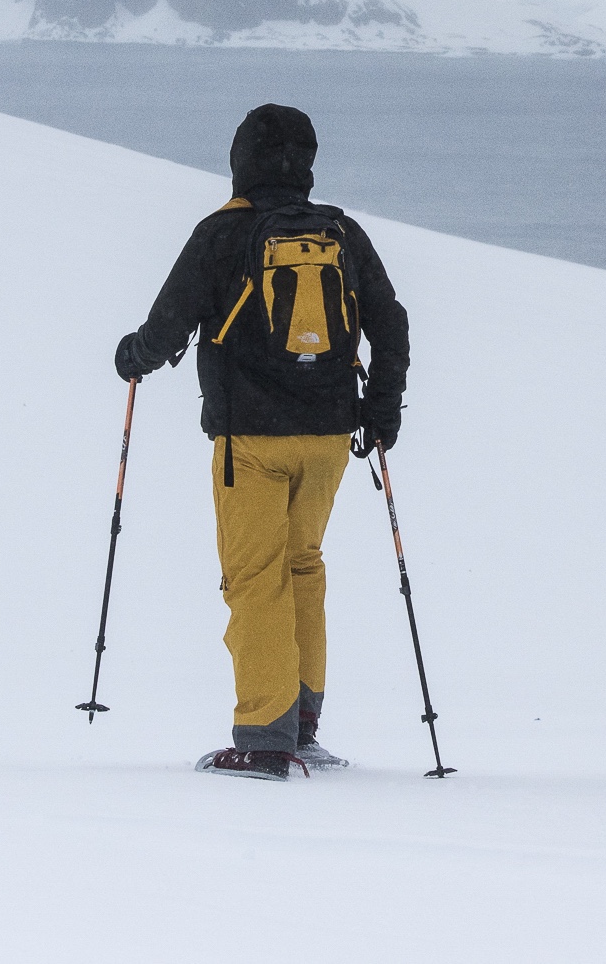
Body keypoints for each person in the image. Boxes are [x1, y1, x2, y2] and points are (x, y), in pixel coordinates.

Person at [115, 104, 409, 782]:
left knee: (255, 579)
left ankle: (263, 738)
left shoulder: (221, 234)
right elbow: (390, 325)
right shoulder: (342, 234)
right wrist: (381, 409)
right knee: (303, 564)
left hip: (248, 440)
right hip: (331, 437)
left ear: (238, 159)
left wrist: (133, 356)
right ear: (306, 163)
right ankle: (302, 726)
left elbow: (166, 326)